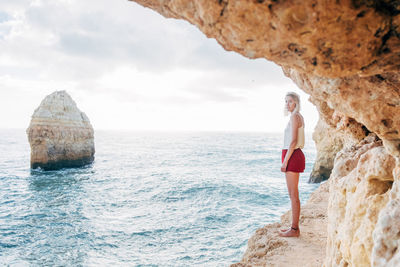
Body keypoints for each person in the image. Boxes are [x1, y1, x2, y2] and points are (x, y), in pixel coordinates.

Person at [278, 92, 305, 238]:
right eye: (285, 101)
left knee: (293, 195)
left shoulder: (295, 117)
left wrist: (285, 161)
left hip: (292, 155)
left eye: (290, 101)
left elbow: (293, 141)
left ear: (296, 103)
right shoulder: (295, 116)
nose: (287, 104)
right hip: (292, 154)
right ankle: (293, 228)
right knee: (292, 194)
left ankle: (294, 229)